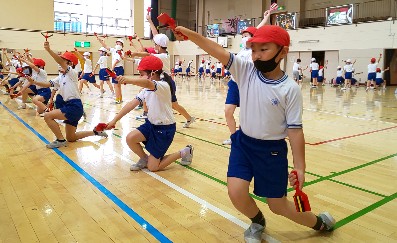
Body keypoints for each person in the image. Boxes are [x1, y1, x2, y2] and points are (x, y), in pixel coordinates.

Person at [174, 24, 335, 242]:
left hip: (272, 152)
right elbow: (215, 49)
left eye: (264, 50)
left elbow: (295, 132)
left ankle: (319, 222)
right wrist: (190, 35)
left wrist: (300, 168)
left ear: (283, 52)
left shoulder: (290, 89)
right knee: (236, 192)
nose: (257, 56)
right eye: (254, 50)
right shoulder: (245, 70)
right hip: (243, 144)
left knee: (277, 206)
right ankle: (258, 221)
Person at [105, 55, 193, 171]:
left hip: (164, 129)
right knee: (130, 138)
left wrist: (127, 79)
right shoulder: (146, 90)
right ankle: (144, 158)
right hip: (151, 125)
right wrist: (114, 120)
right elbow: (131, 104)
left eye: (141, 74)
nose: (140, 77)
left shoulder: (163, 86)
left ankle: (185, 152)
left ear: (152, 73)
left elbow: (147, 84)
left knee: (153, 168)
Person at [27, 41, 108, 148]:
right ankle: (95, 132)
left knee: (47, 115)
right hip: (71, 107)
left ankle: (60, 140)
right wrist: (34, 82)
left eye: (63, 61)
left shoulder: (72, 74)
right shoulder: (60, 77)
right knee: (71, 138)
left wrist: (48, 50)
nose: (59, 64)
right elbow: (47, 84)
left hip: (73, 106)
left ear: (69, 64)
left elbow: (61, 63)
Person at [97, 37, 125, 104]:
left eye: (119, 43)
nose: (118, 44)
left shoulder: (121, 52)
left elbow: (116, 61)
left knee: (116, 85)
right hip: (116, 68)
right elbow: (105, 46)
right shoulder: (114, 50)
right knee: (117, 85)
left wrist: (112, 69)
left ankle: (118, 100)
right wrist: (100, 40)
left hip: (118, 69)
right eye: (117, 43)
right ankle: (120, 99)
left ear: (122, 45)